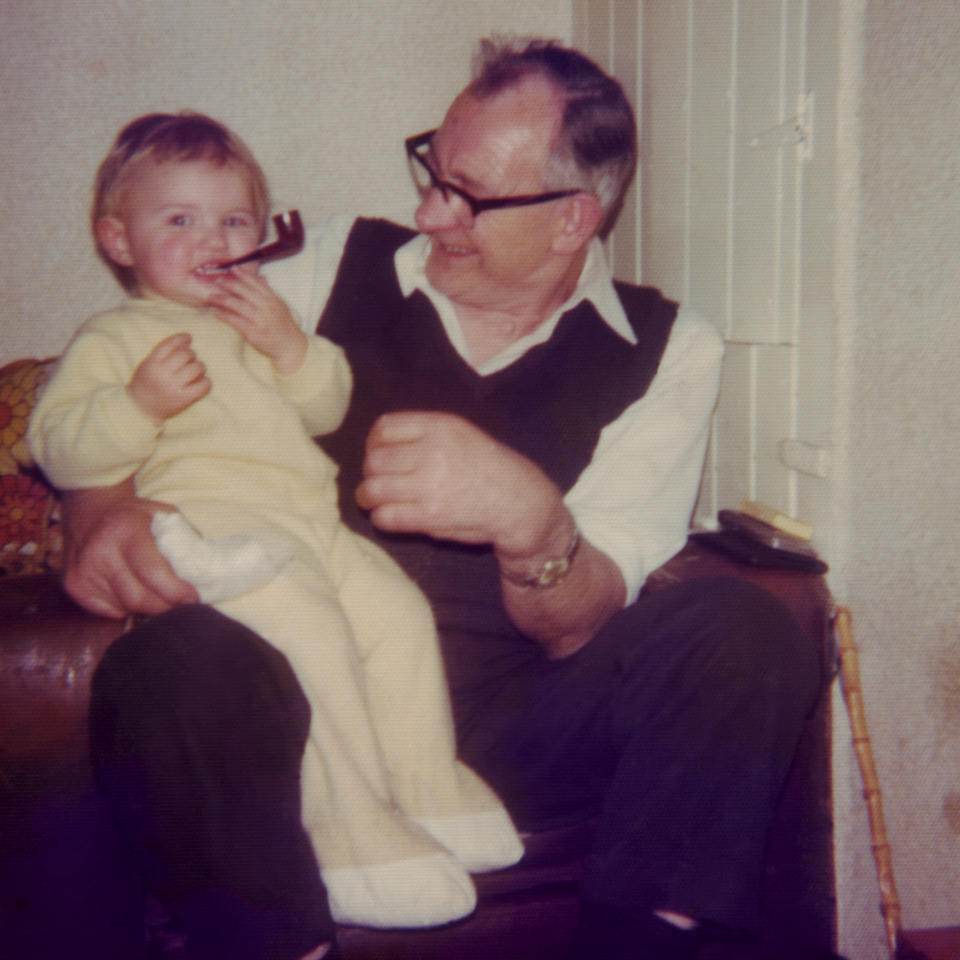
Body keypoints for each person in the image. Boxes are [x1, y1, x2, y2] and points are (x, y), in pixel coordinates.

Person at [60, 40, 822, 960]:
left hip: (512, 721)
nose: (428, 211)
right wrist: (97, 509)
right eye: (432, 171)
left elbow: (580, 624)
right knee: (171, 664)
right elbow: (133, 376)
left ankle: (643, 940)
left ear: (573, 218)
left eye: (467, 194)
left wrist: (529, 519)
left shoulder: (669, 348)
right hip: (300, 699)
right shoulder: (323, 263)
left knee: (744, 627)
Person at [29, 111, 524, 948]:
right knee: (315, 634)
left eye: (233, 221)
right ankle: (347, 833)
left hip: (308, 522)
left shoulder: (256, 322)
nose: (211, 239)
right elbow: (58, 444)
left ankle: (426, 787)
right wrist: (137, 404)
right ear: (118, 241)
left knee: (398, 617)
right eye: (178, 220)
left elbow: (325, 402)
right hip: (215, 528)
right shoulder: (113, 338)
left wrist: (290, 345)